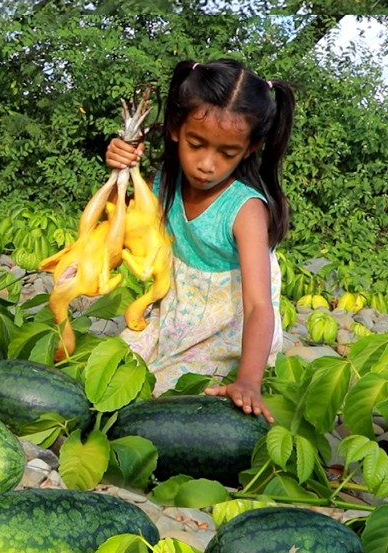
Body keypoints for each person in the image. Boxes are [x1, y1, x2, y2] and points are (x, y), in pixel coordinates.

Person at [105, 58, 295, 424]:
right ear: (177, 128)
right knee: (115, 363)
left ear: (250, 148)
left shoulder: (245, 209)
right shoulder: (165, 182)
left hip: (229, 331)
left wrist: (249, 381)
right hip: (174, 313)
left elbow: (258, 305)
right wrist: (120, 173)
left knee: (164, 396)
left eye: (227, 153)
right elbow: (120, 227)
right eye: (196, 144)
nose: (207, 164)